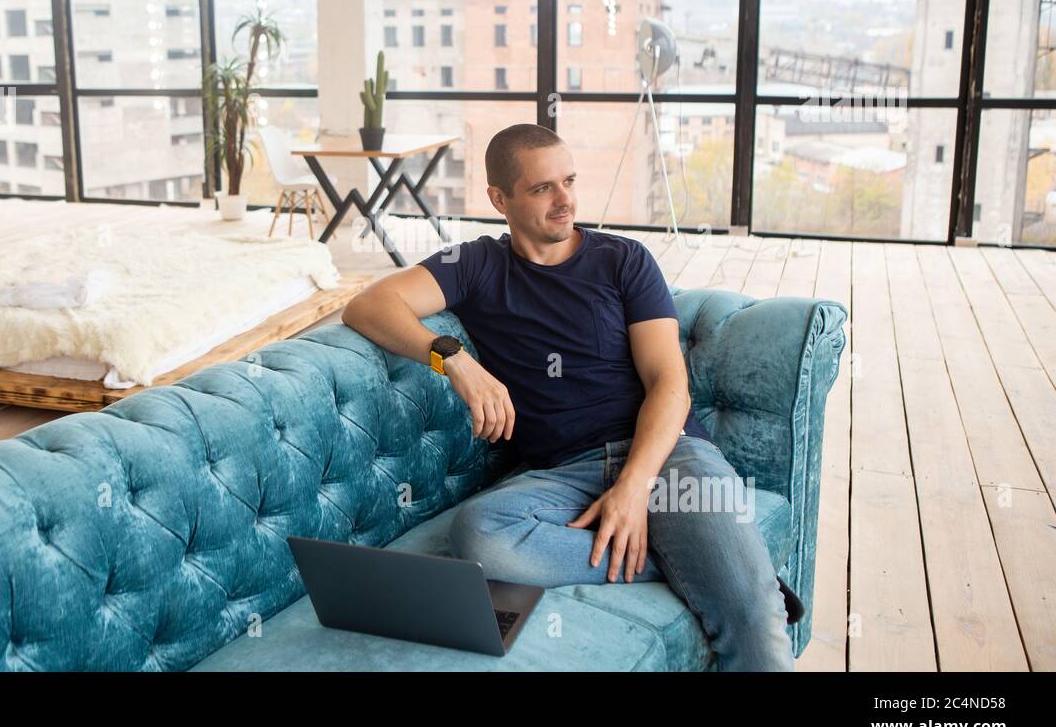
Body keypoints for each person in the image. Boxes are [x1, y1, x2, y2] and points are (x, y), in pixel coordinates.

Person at [340, 123, 795, 671]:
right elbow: (368, 306)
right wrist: (452, 357)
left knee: (752, 616)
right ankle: (704, 560)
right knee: (481, 535)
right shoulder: (477, 265)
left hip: (669, 455)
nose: (566, 201)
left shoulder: (622, 260)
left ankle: (730, 569)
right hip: (562, 476)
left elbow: (669, 384)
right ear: (499, 199)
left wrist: (633, 488)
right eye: (542, 189)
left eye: (570, 181)